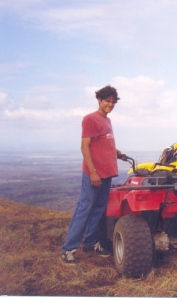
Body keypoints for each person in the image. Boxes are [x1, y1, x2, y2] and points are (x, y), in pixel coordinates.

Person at [60, 85, 123, 265]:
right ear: (99, 100)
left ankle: (90, 243)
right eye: (107, 101)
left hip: (107, 172)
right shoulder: (90, 119)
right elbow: (84, 146)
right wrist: (93, 172)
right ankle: (68, 249)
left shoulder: (107, 120)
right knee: (85, 208)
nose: (110, 104)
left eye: (113, 101)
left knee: (98, 209)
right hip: (94, 173)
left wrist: (116, 152)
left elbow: (101, 143)